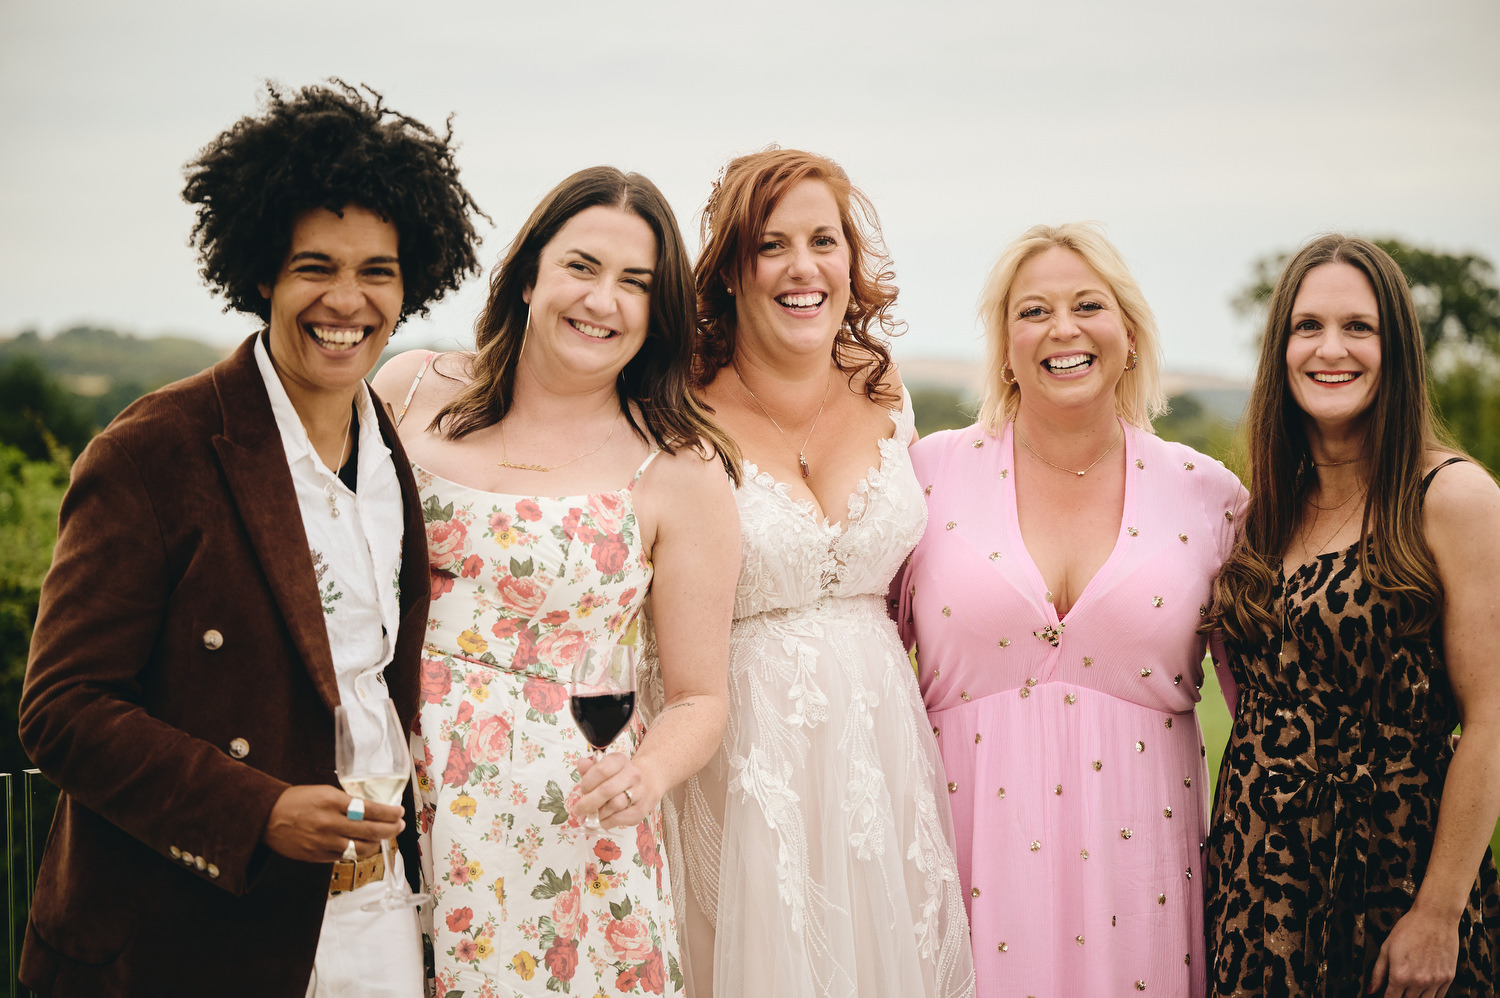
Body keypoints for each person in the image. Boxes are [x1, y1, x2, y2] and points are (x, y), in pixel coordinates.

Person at [18, 81, 484, 996]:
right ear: (263, 271)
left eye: (377, 271)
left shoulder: (392, 452)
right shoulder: (152, 450)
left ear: (411, 282)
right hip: (195, 929)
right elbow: (62, 708)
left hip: (380, 917)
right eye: (315, 266)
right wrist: (256, 810)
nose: (346, 300)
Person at [371, 165, 739, 998]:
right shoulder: (410, 388)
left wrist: (646, 775)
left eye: (635, 282)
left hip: (561, 830)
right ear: (530, 273)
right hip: (386, 788)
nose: (603, 300)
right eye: (582, 266)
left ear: (658, 311)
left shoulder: (679, 469)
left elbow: (698, 698)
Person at [647, 147, 974, 998]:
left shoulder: (884, 389)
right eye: (771, 245)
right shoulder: (673, 405)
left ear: (850, 261)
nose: (804, 267)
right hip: (738, 751)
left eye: (824, 241)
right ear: (730, 271)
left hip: (878, 748)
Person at [893, 223, 1246, 996]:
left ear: (1130, 333)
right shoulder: (924, 478)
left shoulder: (1210, 496)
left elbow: (1263, 719)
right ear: (1005, 347)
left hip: (1145, 885)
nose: (1063, 329)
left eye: (1089, 305)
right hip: (960, 873)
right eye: (1033, 311)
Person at [1204, 235, 1500, 995]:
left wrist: (1439, 912)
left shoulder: (1453, 498)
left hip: (1392, 879)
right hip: (1255, 884)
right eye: (1308, 326)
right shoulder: (1265, 511)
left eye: (1357, 327)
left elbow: (1492, 720)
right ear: (1281, 350)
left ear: (1395, 347)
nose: (1330, 348)